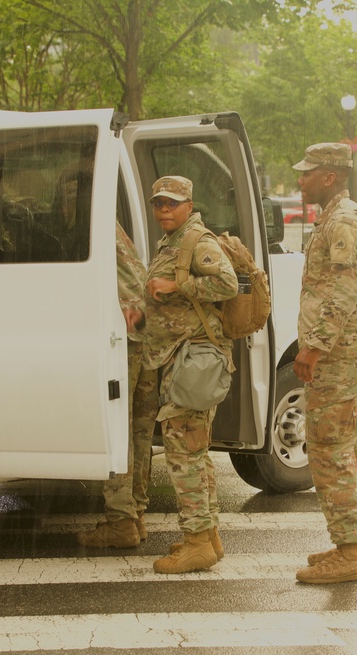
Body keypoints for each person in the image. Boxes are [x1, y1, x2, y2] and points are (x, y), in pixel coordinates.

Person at [291, 143, 357, 584]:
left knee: (329, 448)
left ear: (329, 177)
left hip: (340, 350)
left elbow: (344, 289)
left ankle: (348, 550)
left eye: (308, 173)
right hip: (348, 347)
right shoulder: (338, 217)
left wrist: (314, 347)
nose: (300, 179)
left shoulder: (343, 220)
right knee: (351, 443)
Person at [140, 175, 238, 574]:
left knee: (184, 455)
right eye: (158, 203)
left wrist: (176, 285)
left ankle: (198, 543)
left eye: (171, 203)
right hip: (179, 357)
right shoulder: (173, 240)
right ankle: (207, 536)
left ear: (188, 204)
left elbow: (228, 283)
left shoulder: (197, 241)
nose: (164, 210)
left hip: (192, 358)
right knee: (195, 452)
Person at [76, 221, 156, 547]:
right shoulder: (110, 224)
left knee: (119, 428)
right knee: (138, 430)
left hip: (125, 335)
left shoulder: (89, 222)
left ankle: (121, 521)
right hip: (144, 331)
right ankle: (136, 514)